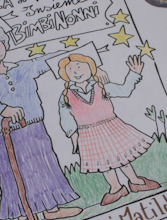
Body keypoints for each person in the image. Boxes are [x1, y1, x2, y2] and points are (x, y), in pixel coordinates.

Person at [0, 24, 84, 220]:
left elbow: (46, 62)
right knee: (13, 174)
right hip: (6, 136)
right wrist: (2, 109)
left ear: (3, 44)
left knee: (44, 166)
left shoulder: (22, 68)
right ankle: (23, 216)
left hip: (34, 129)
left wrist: (76, 54)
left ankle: (51, 208)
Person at [57, 53, 160, 206]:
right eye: (70, 69)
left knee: (121, 156)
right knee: (103, 162)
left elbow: (124, 91)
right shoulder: (66, 95)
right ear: (65, 74)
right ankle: (116, 188)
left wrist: (134, 73)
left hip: (111, 127)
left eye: (79, 66)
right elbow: (65, 116)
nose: (76, 71)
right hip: (88, 133)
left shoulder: (101, 86)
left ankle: (135, 181)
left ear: (91, 68)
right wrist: (73, 134)